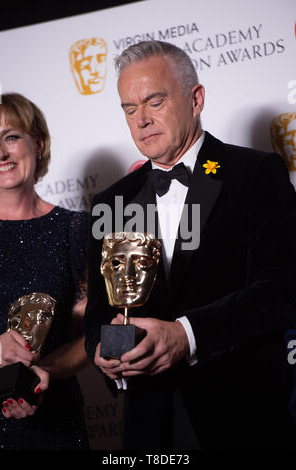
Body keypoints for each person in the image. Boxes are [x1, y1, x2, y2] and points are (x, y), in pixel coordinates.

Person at [84, 40, 296, 449]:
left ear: (195, 99)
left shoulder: (254, 174)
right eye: (130, 109)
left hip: (243, 414)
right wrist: (102, 351)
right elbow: (98, 315)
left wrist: (187, 334)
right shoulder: (111, 202)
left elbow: (283, 288)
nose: (141, 119)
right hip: (150, 424)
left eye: (155, 101)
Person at [0, 92, 89, 449]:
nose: (1, 153)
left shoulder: (75, 230)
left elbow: (89, 333)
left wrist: (40, 374)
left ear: (38, 142)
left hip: (57, 422)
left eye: (11, 136)